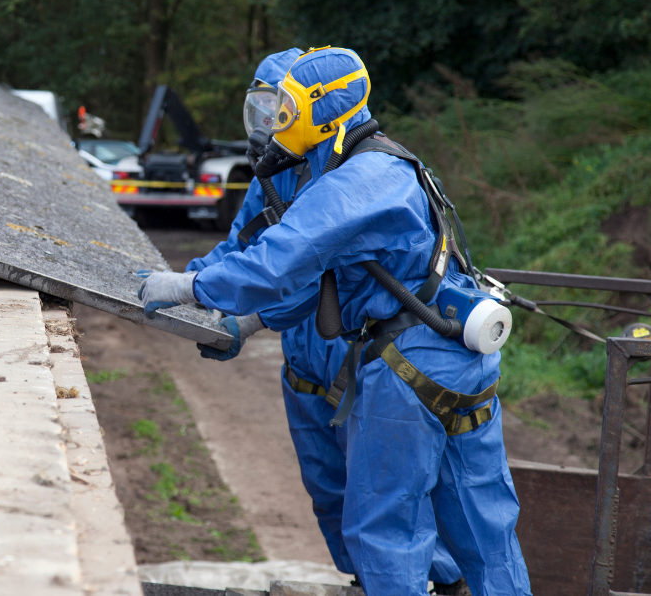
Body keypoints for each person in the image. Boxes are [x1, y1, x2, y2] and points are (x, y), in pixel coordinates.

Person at [140, 47, 531, 596]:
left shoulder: (353, 182)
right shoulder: (374, 163)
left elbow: (281, 261)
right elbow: (320, 283)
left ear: (319, 112)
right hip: (457, 356)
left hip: (405, 369)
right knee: (486, 532)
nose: (277, 125)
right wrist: (243, 315)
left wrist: (191, 287)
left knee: (385, 533)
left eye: (287, 111)